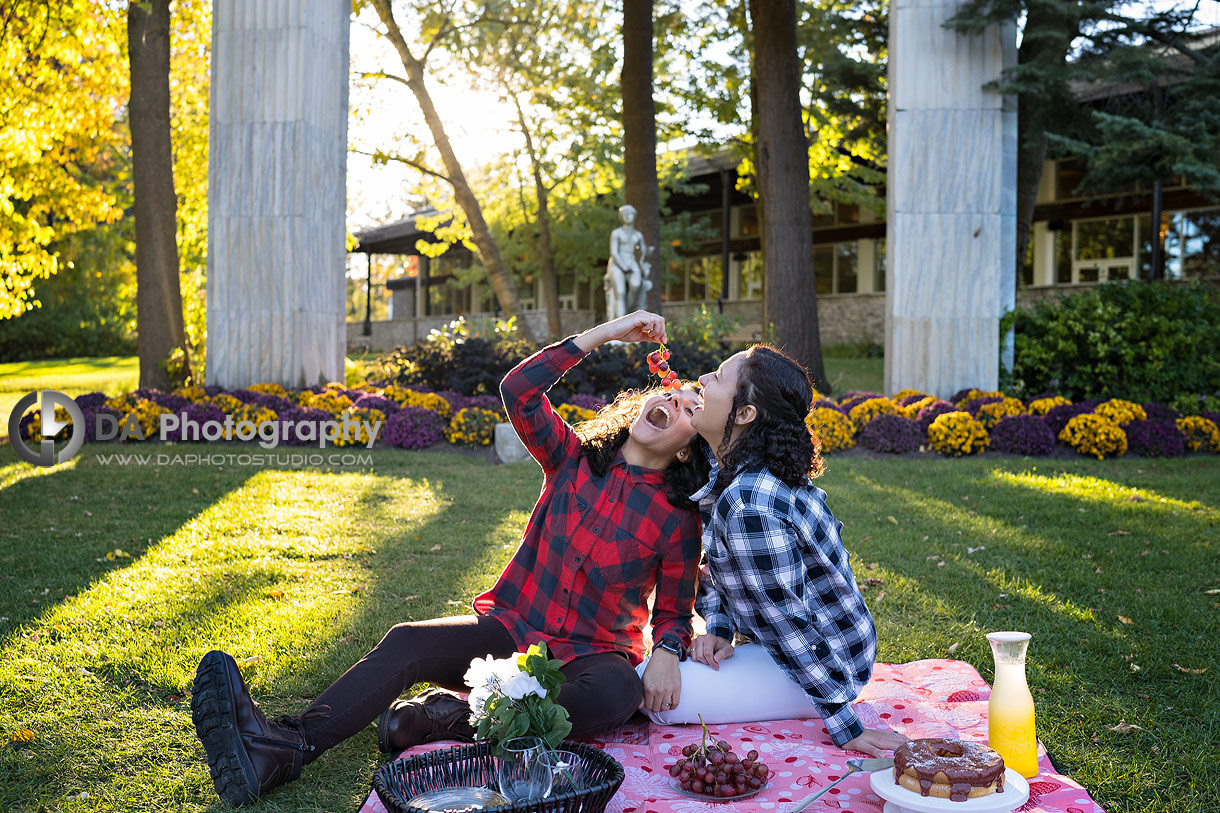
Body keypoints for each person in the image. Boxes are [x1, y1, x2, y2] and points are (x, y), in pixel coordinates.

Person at [190, 311, 708, 805]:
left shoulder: (677, 519)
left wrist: (665, 649)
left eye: (690, 409)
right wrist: (611, 332)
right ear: (642, 404)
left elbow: (673, 611)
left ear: (686, 447)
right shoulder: (570, 459)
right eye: (670, 394)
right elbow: (519, 392)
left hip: (588, 658)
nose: (674, 402)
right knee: (407, 642)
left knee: (617, 692)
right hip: (511, 632)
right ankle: (285, 748)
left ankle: (444, 721)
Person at [636, 345, 908, 758]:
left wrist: (844, 723)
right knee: (662, 676)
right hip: (804, 645)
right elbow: (724, 569)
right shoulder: (735, 473)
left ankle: (804, 705)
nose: (703, 381)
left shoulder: (749, 503)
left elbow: (789, 622)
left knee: (655, 695)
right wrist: (720, 630)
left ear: (744, 415)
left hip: (832, 663)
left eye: (719, 377)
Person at [604, 204, 652, 320]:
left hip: (631, 262)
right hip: (617, 263)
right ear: (621, 217)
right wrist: (623, 266)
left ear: (634, 216)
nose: (627, 216)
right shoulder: (617, 233)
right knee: (620, 292)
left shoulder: (638, 235)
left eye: (629, 214)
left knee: (636, 285)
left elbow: (644, 253)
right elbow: (614, 252)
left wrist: (649, 252)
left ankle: (627, 312)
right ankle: (620, 327)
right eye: (624, 215)